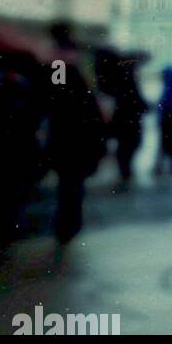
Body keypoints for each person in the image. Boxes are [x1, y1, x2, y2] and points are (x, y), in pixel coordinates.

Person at [45, 24, 105, 256]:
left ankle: (67, 226)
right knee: (72, 186)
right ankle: (68, 225)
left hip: (66, 138)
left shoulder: (61, 68)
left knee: (68, 185)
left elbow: (57, 99)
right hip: (74, 139)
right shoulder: (68, 69)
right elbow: (65, 99)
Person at [106, 55, 147, 187]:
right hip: (129, 122)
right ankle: (125, 174)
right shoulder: (129, 80)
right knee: (127, 148)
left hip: (125, 121)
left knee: (125, 148)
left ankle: (125, 173)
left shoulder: (122, 80)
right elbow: (136, 102)